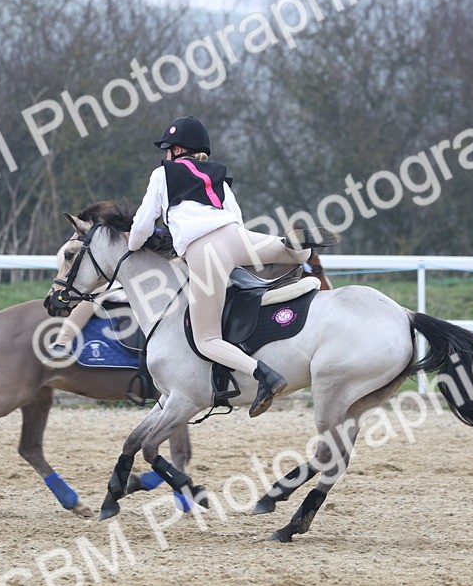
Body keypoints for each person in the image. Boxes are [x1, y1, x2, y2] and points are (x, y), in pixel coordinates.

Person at [127, 116, 338, 417]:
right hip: (236, 237)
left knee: (207, 340)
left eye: (168, 149)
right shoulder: (219, 177)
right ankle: (297, 249)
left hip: (204, 252)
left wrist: (134, 244)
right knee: (286, 253)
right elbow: (235, 217)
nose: (165, 154)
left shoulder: (162, 175)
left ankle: (264, 374)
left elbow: (142, 225)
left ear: (176, 150)